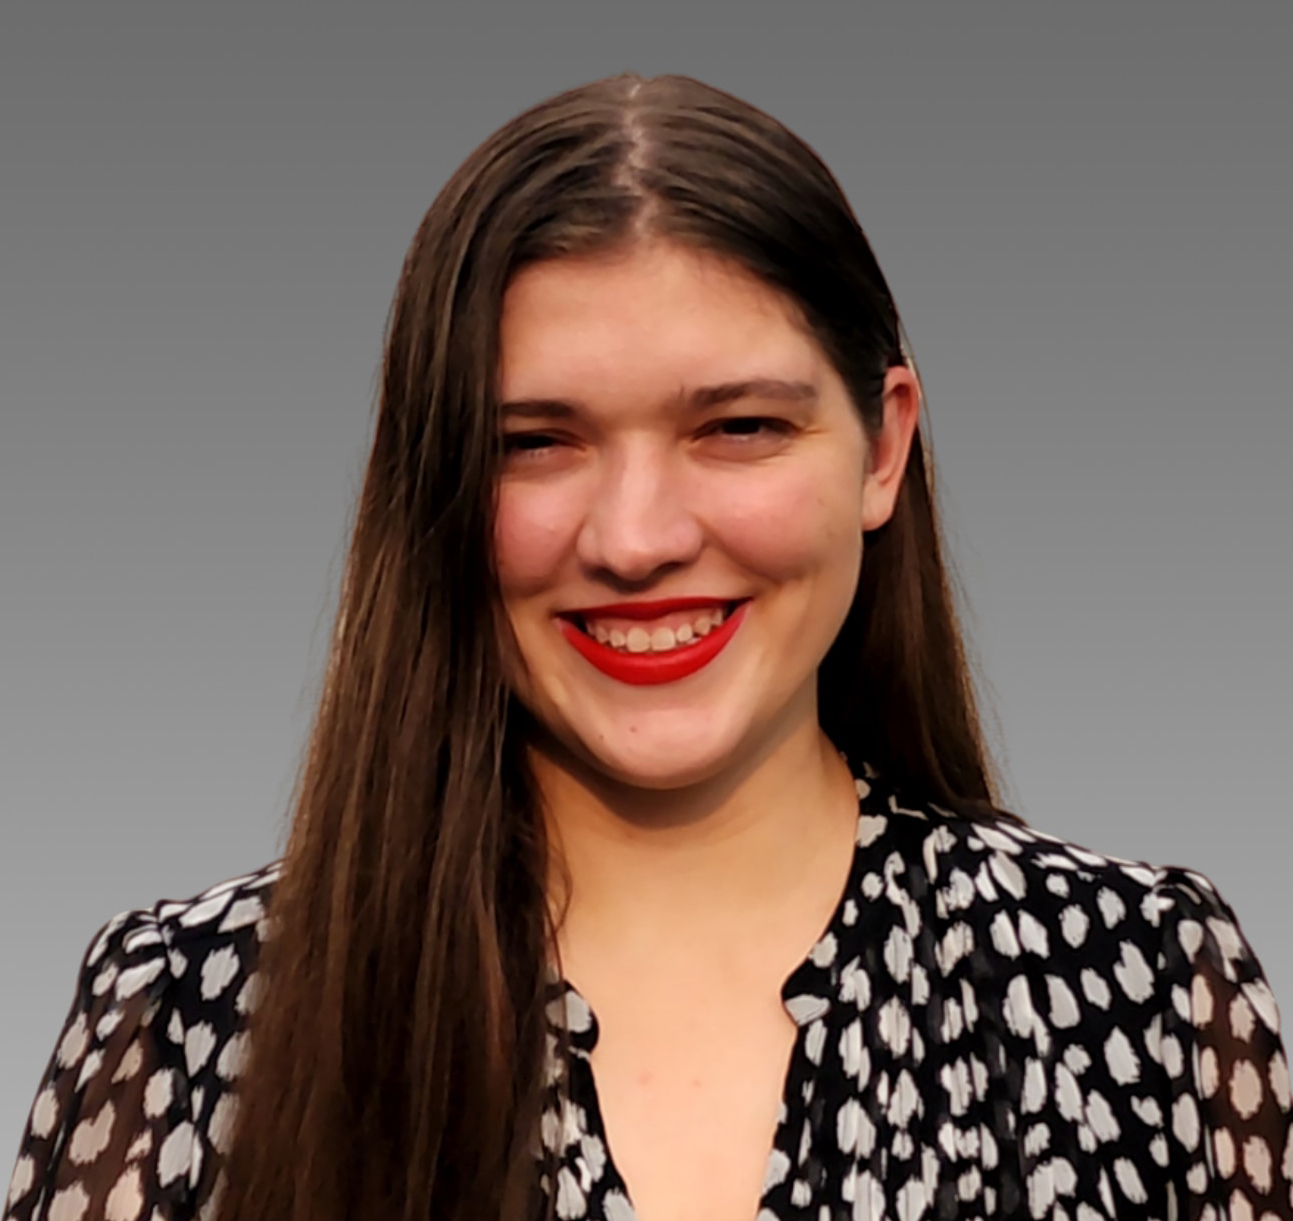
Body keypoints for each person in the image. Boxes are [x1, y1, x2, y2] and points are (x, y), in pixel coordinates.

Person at [4, 71, 1290, 1221]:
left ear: (885, 445)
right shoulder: (182, 1020)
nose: (633, 540)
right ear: (438, 480)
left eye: (735, 428)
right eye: (535, 443)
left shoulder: (1146, 980)